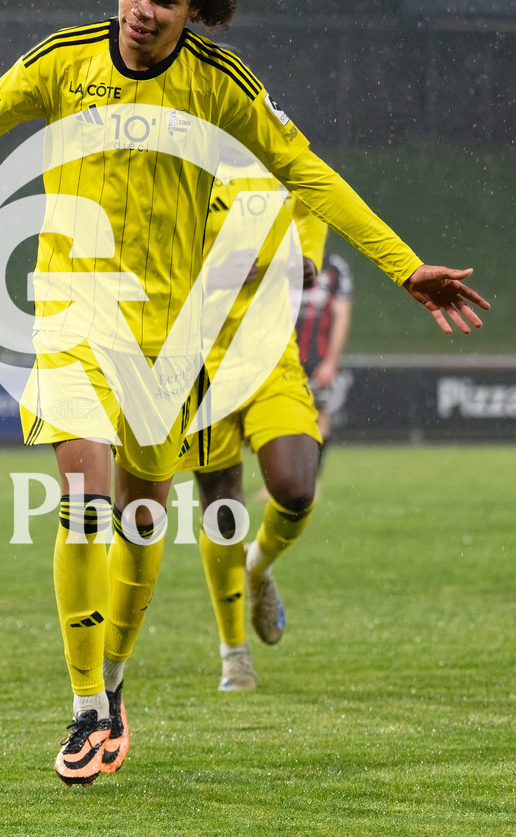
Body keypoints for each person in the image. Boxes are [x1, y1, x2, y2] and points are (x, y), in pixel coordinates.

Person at [0, 0, 489, 786]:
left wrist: (403, 266)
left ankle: (111, 678)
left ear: (195, 12)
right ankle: (86, 710)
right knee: (84, 496)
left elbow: (308, 174)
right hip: (73, 315)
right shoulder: (64, 61)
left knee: (144, 516)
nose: (143, 10)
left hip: (169, 340)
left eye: (166, 1)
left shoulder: (221, 86)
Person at [180, 152, 328, 692]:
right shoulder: (179, 164)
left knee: (295, 488)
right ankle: (234, 654)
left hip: (270, 358)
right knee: (222, 509)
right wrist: (208, 274)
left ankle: (257, 566)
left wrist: (306, 256)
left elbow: (316, 200)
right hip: (199, 365)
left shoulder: (276, 155)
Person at [296, 249, 353, 444]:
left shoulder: (334, 267)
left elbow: (342, 315)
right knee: (284, 419)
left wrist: (330, 362)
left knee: (319, 415)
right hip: (282, 357)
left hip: (316, 358)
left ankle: (312, 465)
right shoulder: (279, 258)